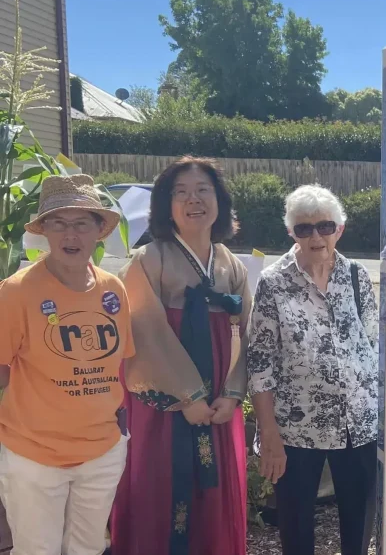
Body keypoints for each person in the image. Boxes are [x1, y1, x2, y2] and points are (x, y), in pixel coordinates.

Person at [110, 157, 251, 555]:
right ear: (165, 205)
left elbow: (249, 332)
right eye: (181, 192)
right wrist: (188, 396)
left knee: (218, 492)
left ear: (219, 200)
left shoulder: (231, 265)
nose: (194, 200)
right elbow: (147, 332)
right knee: (162, 487)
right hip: (167, 408)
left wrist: (233, 394)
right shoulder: (147, 259)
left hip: (220, 407)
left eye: (203, 190)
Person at [0, 175, 134, 554]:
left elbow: (118, 364)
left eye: (81, 223)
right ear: (44, 230)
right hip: (33, 456)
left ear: (98, 231)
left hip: (102, 452)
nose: (69, 235)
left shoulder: (113, 288)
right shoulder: (16, 291)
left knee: (87, 549)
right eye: (58, 223)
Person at [247, 184, 379, 555]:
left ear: (340, 229)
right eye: (304, 228)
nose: (316, 236)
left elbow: (373, 343)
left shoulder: (356, 276)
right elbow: (260, 364)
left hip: (357, 422)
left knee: (358, 523)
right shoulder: (274, 282)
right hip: (296, 427)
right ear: (292, 233)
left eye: (325, 226)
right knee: (296, 525)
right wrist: (268, 434)